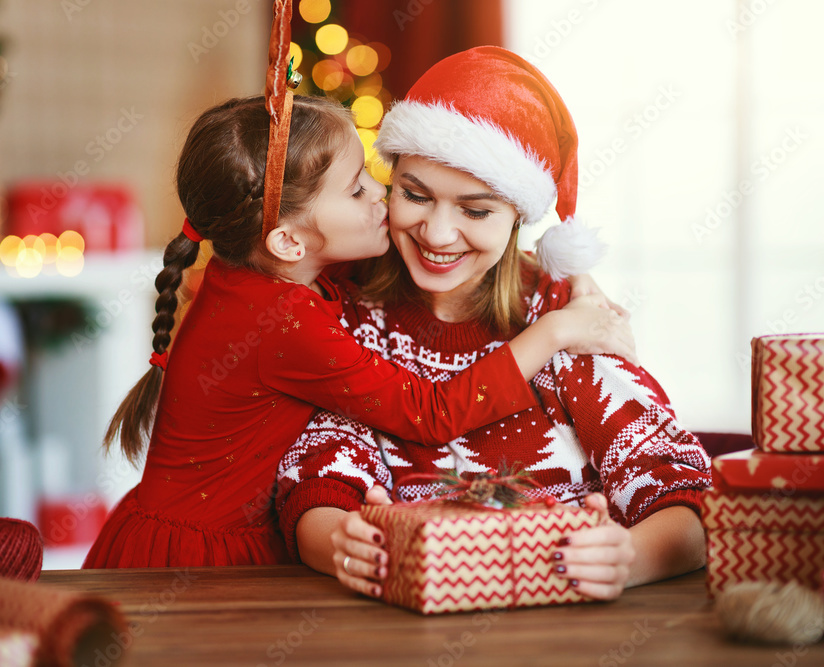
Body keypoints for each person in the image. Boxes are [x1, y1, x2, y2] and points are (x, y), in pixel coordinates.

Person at [83, 94, 635, 569]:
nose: (382, 197)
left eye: (374, 175)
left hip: (181, 531)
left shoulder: (276, 269)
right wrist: (556, 330)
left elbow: (456, 250)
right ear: (288, 242)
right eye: (356, 190)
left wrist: (568, 269)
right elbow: (429, 413)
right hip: (203, 559)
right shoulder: (283, 320)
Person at [275, 47, 712, 601]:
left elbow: (686, 494)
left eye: (476, 211)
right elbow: (317, 478)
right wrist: (336, 540)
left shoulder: (566, 317)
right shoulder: (351, 311)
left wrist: (631, 560)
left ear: (517, 218)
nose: (437, 234)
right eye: (415, 195)